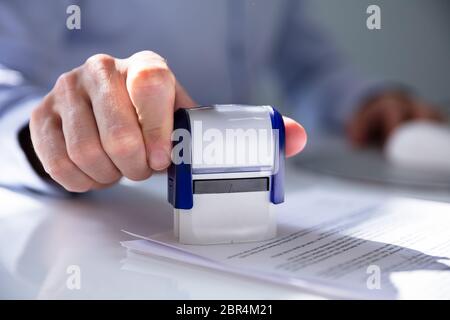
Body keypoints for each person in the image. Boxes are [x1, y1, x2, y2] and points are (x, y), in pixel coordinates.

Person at [0, 0, 442, 194]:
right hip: (103, 216)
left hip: (245, 209)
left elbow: (305, 60)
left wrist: (362, 100)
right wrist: (48, 137)